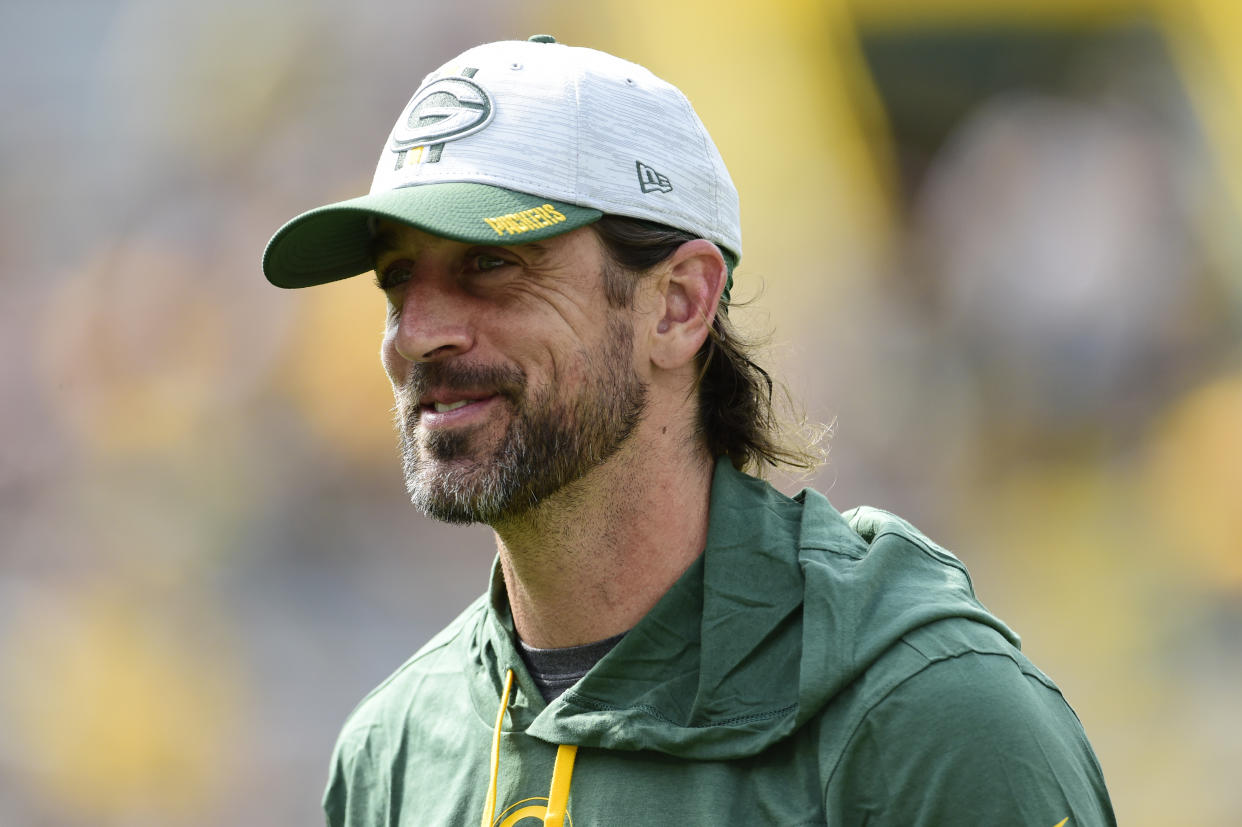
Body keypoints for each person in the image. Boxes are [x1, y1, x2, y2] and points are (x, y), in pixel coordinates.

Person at [263, 36, 1115, 827]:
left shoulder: (928, 717)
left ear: (678, 304)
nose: (417, 333)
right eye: (397, 280)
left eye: (491, 264)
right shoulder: (393, 752)